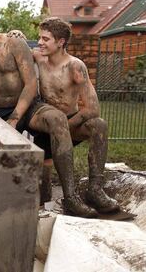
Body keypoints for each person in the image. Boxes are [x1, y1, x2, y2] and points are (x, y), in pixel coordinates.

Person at [0, 6, 100, 217]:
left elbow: (29, 84)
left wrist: (16, 117)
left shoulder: (15, 44)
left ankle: (70, 197)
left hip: (28, 106)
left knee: (57, 118)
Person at [32, 17, 119, 215]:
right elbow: (14, 49)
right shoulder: (38, 58)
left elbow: (93, 109)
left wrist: (65, 127)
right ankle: (66, 197)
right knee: (41, 196)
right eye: (40, 38)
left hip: (68, 124)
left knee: (99, 125)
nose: (39, 42)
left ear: (61, 42)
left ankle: (94, 191)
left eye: (46, 39)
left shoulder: (75, 66)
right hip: (46, 126)